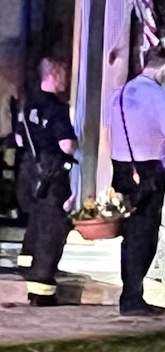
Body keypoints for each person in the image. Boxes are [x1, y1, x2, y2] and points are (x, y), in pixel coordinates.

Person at [108, 46, 165, 316]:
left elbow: (109, 132)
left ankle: (130, 294)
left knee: (128, 234)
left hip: (121, 167)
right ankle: (132, 299)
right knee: (145, 234)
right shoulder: (159, 96)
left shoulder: (121, 93)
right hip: (148, 168)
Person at [15, 58, 77, 306]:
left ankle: (27, 263)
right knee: (53, 228)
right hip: (51, 175)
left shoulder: (28, 102)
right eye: (63, 74)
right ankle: (42, 289)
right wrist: (75, 146)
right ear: (54, 75)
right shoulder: (56, 107)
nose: (65, 79)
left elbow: (20, 140)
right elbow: (67, 144)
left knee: (37, 222)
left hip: (30, 172)